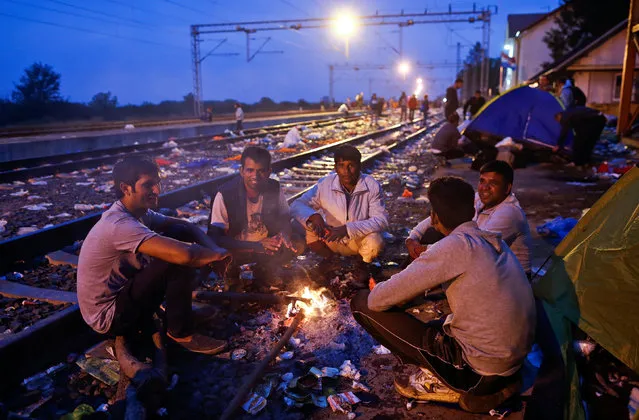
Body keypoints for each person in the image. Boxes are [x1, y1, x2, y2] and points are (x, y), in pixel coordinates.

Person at [351, 176, 536, 412]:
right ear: (472, 210)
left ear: (434, 217)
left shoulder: (453, 247)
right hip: (515, 360)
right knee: (438, 320)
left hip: (480, 368)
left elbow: (377, 300)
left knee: (362, 303)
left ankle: (455, 383)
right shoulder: (490, 239)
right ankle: (497, 384)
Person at [77, 156, 230, 355]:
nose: (157, 191)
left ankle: (179, 314)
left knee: (178, 233)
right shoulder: (119, 224)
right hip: (110, 316)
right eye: (148, 185)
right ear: (126, 188)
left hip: (125, 294)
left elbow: (186, 225)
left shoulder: (140, 212)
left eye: (157, 183)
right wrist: (215, 257)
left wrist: (215, 250)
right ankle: (181, 333)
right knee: (174, 258)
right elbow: (186, 254)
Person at [406, 160, 532, 276]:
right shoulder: (479, 198)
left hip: (508, 277)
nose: (485, 188)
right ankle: (408, 280)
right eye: (482, 181)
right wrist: (413, 238)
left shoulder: (509, 212)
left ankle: (409, 284)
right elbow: (441, 215)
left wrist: (426, 250)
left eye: (493, 183)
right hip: (483, 263)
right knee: (432, 233)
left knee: (436, 245)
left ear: (507, 188)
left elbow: (475, 248)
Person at [209, 147, 303, 280]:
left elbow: (284, 218)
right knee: (225, 262)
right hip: (237, 250)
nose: (255, 176)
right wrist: (256, 246)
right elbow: (216, 238)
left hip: (267, 248)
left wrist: (284, 235)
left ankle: (266, 273)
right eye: (250, 170)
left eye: (261, 171)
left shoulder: (274, 188)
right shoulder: (225, 194)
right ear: (242, 171)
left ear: (269, 172)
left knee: (298, 241)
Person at [291, 144, 388, 267]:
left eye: (351, 166)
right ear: (335, 167)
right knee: (309, 222)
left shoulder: (371, 185)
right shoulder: (325, 184)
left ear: (359, 166)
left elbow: (381, 220)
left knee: (375, 242)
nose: (346, 171)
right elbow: (296, 205)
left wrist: (348, 229)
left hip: (357, 242)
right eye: (341, 166)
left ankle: (362, 265)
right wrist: (313, 215)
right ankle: (332, 260)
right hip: (332, 239)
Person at [553, 107, 607, 171]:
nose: (560, 123)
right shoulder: (571, 112)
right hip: (601, 119)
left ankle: (577, 163)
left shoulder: (564, 117)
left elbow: (564, 132)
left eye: (558, 121)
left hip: (593, 121)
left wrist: (558, 145)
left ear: (559, 116)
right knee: (589, 142)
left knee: (578, 143)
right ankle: (586, 162)